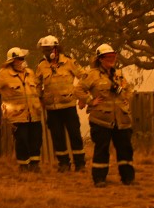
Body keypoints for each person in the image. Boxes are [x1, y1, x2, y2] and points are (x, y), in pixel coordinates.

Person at [74, 43, 135, 187]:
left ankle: (128, 178)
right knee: (102, 149)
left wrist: (122, 92)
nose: (111, 60)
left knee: (125, 149)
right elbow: (78, 91)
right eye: (107, 57)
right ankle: (99, 179)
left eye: (113, 57)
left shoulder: (118, 74)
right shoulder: (91, 75)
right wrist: (90, 101)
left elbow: (129, 91)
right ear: (100, 59)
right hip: (101, 120)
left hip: (121, 119)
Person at [36, 35, 86, 172]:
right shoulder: (41, 65)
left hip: (68, 106)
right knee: (57, 137)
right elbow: (36, 84)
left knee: (74, 134)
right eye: (44, 50)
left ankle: (80, 163)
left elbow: (85, 77)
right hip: (52, 108)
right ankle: (63, 163)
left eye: (49, 49)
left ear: (56, 49)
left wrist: (82, 96)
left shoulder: (69, 62)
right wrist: (40, 99)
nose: (46, 53)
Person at [0, 47, 44, 172]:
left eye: (22, 58)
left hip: (34, 113)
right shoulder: (4, 74)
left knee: (36, 139)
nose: (21, 61)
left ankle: (35, 164)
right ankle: (23, 165)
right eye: (19, 59)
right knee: (22, 140)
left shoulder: (30, 72)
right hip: (18, 115)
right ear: (11, 61)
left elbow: (37, 88)